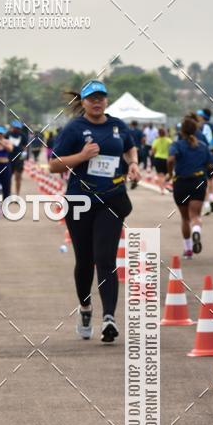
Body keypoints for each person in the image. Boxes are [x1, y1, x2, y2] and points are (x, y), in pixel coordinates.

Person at [50, 80, 140, 342]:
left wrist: (133, 163)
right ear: (84, 102)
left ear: (107, 100)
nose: (97, 102)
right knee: (85, 260)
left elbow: (130, 147)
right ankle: (86, 307)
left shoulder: (118, 126)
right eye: (92, 98)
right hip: (80, 201)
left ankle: (109, 317)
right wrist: (82, 156)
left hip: (111, 198)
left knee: (105, 259)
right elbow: (54, 165)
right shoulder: (74, 128)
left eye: (101, 97)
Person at [167, 116, 211, 258]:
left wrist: (170, 173)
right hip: (198, 181)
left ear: (182, 131)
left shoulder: (176, 145)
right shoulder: (202, 146)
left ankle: (188, 250)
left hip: (181, 183)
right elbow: (211, 163)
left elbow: (170, 159)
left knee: (185, 218)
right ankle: (196, 230)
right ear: (196, 130)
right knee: (195, 215)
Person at [7, 120, 28, 196]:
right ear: (13, 127)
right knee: (8, 177)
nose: (18, 129)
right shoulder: (8, 134)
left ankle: (17, 194)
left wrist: (23, 157)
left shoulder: (22, 135)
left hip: (19, 159)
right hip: (9, 159)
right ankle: (8, 193)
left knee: (18, 177)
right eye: (16, 128)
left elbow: (25, 147)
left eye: (19, 128)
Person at [150, 127, 170, 193]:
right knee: (167, 174)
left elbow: (153, 151)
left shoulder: (156, 141)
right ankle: (164, 184)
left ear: (158, 133)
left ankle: (162, 190)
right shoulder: (169, 141)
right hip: (166, 159)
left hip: (158, 158)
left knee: (160, 175)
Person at [128, 120, 144, 189]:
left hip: (130, 151)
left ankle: (132, 179)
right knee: (136, 166)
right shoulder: (140, 131)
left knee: (129, 166)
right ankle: (134, 180)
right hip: (138, 150)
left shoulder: (128, 131)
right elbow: (143, 139)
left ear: (131, 124)